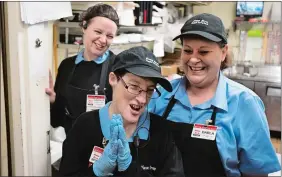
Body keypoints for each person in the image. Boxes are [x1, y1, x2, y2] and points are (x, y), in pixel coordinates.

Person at [149, 13, 281, 177]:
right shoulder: (162, 93)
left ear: (223, 52)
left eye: (203, 52)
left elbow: (256, 173)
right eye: (188, 51)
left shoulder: (244, 103)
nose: (193, 59)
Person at [59, 46, 185, 177]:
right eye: (134, 86)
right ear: (113, 79)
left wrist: (130, 168)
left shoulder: (160, 130)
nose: (142, 99)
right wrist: (97, 171)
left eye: (149, 90)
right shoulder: (85, 125)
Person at [46, 3, 119, 134]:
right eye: (98, 32)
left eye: (109, 36)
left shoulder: (118, 67)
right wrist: (53, 100)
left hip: (103, 146)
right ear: (84, 27)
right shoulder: (67, 66)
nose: (103, 40)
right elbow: (57, 120)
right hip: (72, 143)